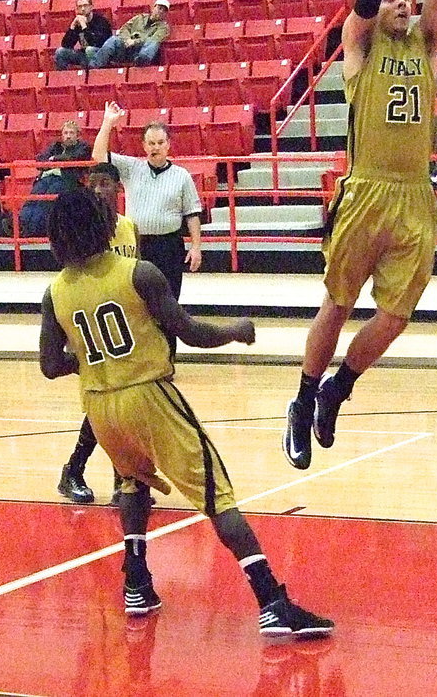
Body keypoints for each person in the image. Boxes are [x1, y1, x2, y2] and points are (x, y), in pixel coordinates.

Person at [39, 187, 333, 637]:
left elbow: (50, 365)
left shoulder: (55, 292)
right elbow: (189, 332)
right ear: (101, 227)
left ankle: (136, 582)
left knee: (131, 481)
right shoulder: (138, 273)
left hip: (99, 406)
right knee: (217, 493)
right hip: (148, 396)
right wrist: (235, 329)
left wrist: (91, 357)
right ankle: (271, 600)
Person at [283, 0, 437, 471]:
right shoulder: (358, 44)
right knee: (338, 302)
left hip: (414, 194)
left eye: (409, 2)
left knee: (396, 314)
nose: (403, 4)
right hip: (366, 190)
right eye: (394, 0)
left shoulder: (426, 44)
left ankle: (337, 390)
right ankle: (302, 402)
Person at [55, 162, 139, 504]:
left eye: (106, 183)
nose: (100, 189)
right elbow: (71, 282)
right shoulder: (82, 231)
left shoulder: (130, 228)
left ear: (118, 189)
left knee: (119, 409)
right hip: (91, 326)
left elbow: (134, 276)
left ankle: (80, 471)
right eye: (95, 184)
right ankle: (118, 480)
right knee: (109, 408)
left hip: (126, 327)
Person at [91, 104, 202, 305]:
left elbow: (192, 214)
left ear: (168, 145)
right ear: (144, 146)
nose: (155, 147)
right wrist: (107, 122)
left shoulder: (182, 176)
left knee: (169, 304)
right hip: (138, 246)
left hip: (169, 246)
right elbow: (98, 156)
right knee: (138, 303)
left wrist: (196, 247)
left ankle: (168, 338)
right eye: (151, 143)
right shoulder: (131, 168)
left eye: (160, 142)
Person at [16, 120, 93, 237]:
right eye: (66, 133)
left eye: (71, 133)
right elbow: (40, 160)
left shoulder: (83, 147)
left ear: (77, 136)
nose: (68, 136)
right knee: (33, 200)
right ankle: (20, 225)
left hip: (67, 180)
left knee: (46, 201)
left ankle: (31, 230)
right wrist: (53, 160)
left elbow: (74, 158)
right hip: (47, 177)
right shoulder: (55, 146)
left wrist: (54, 159)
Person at [89, 0, 172, 69]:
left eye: (164, 11)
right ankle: (93, 68)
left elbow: (153, 39)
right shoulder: (139, 18)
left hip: (140, 51)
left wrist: (135, 42)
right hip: (126, 47)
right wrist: (127, 39)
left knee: (153, 43)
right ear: (153, 8)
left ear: (166, 14)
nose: (161, 11)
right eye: (159, 8)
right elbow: (124, 29)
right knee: (114, 39)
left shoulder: (164, 27)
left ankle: (141, 64)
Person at [54, 0, 114, 69]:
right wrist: (72, 27)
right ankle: (63, 78)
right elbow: (66, 45)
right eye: (79, 6)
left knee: (90, 50)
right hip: (84, 55)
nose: (82, 9)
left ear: (91, 7)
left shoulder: (101, 21)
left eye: (85, 5)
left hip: (100, 54)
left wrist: (84, 26)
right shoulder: (78, 23)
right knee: (60, 52)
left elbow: (95, 43)